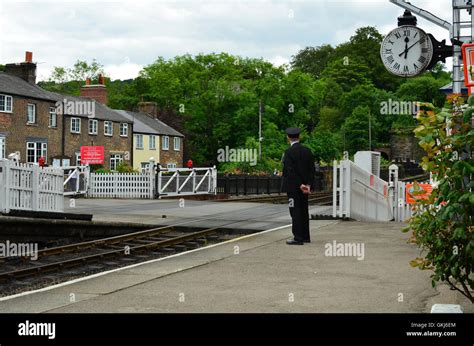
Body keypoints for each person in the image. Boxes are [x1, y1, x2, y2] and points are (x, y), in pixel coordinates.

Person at [281, 127, 315, 245]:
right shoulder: (307, 151)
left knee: (294, 211)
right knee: (304, 211)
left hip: (293, 188)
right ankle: (305, 236)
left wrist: (299, 184)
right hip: (305, 188)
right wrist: (308, 184)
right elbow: (312, 170)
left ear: (288, 138)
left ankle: (298, 238)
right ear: (299, 137)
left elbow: (289, 172)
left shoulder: (288, 153)